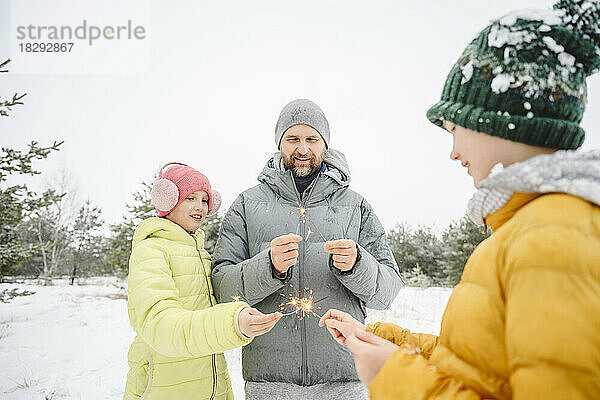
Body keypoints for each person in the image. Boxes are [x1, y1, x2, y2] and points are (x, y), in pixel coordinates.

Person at [321, 1, 600, 399]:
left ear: (505, 121)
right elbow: (477, 365)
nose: (453, 152)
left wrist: (394, 377)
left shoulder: (553, 238)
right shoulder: (530, 229)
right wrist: (380, 339)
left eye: (455, 128)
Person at [211, 99, 404, 400]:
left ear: (325, 144)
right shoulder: (247, 205)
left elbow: (387, 292)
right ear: (279, 144)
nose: (302, 149)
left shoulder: (355, 206)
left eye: (312, 139)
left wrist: (357, 265)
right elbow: (222, 289)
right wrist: (268, 268)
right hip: (270, 384)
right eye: (293, 139)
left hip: (344, 380)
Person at [124, 162, 282, 400]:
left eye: (204, 200)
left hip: (211, 388)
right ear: (168, 200)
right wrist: (232, 322)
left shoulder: (202, 255)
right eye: (190, 198)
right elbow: (161, 324)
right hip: (163, 389)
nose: (200, 207)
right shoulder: (151, 250)